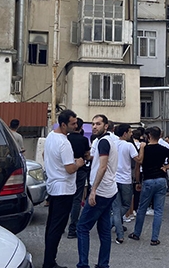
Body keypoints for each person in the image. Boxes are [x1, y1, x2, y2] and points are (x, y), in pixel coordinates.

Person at [43, 110, 85, 268]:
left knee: (51, 225)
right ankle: (49, 262)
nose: (76, 126)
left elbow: (45, 155)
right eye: (72, 123)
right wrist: (78, 163)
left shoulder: (50, 137)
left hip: (54, 186)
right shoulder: (64, 143)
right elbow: (70, 169)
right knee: (57, 227)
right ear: (63, 124)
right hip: (64, 188)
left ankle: (48, 259)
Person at [76, 114, 119, 268]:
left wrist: (93, 190)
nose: (94, 127)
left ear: (106, 126)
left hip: (101, 191)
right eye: (93, 124)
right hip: (109, 190)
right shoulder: (107, 141)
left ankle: (83, 264)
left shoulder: (104, 142)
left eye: (98, 124)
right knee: (104, 230)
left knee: (82, 227)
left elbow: (103, 166)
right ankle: (103, 264)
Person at [128, 126, 169, 246]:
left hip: (148, 180)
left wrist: (137, 181)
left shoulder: (144, 149)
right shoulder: (164, 149)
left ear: (149, 136)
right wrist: (166, 167)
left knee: (142, 208)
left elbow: (138, 164)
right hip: (161, 180)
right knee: (158, 210)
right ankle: (154, 238)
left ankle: (136, 233)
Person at [111, 124, 142, 244]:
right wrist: (142, 148)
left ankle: (119, 234)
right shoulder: (129, 145)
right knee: (126, 204)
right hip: (125, 179)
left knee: (116, 207)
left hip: (113, 178)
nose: (131, 134)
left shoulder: (112, 144)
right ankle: (112, 224)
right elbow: (138, 159)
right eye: (129, 132)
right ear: (124, 133)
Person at [66, 118, 91, 239]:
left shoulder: (66, 139)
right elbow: (87, 155)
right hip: (80, 170)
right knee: (77, 199)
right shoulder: (84, 140)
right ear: (81, 128)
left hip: (67, 169)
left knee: (65, 198)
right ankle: (72, 228)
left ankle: (60, 225)